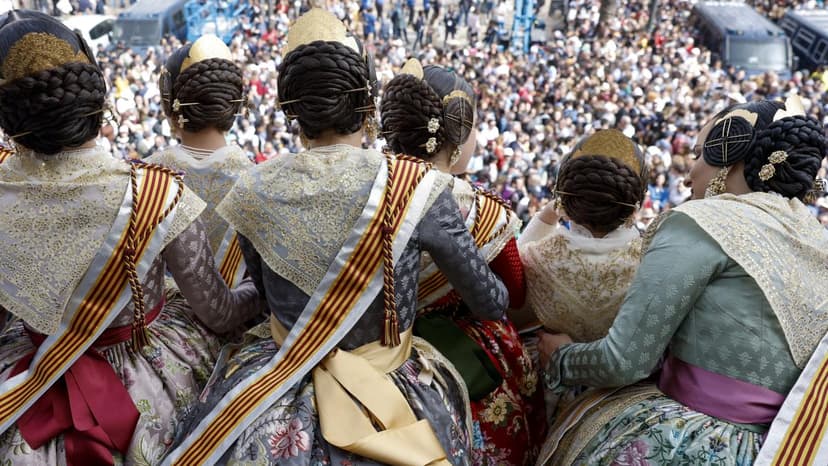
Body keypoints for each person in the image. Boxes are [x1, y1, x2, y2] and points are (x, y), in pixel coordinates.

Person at [166, 10, 508, 465]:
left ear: (290, 107)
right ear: (368, 101)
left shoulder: (254, 187)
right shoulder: (416, 185)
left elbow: (266, 300)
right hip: (393, 390)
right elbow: (491, 302)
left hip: (276, 386)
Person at [0, 10, 263, 465]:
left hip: (26, 380)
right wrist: (264, 293)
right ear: (95, 97)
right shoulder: (157, 193)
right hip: (147, 379)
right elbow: (218, 313)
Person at [536, 96, 828, 465]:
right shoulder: (817, 239)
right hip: (784, 449)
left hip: (685, 439)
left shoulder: (701, 222)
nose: (689, 174)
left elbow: (624, 360)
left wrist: (561, 358)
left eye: (699, 154)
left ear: (730, 153)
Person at [381, 59, 544, 466]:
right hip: (463, 359)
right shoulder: (484, 212)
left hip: (368, 344)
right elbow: (512, 294)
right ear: (457, 134)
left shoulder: (363, 188)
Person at [517, 130, 646, 344]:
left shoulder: (536, 256)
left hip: (549, 371)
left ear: (563, 200)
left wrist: (548, 215)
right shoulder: (652, 260)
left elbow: (515, 291)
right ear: (635, 208)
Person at [146, 34, 252, 288]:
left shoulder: (145, 178)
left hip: (162, 320)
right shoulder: (260, 179)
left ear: (170, 104)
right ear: (234, 105)